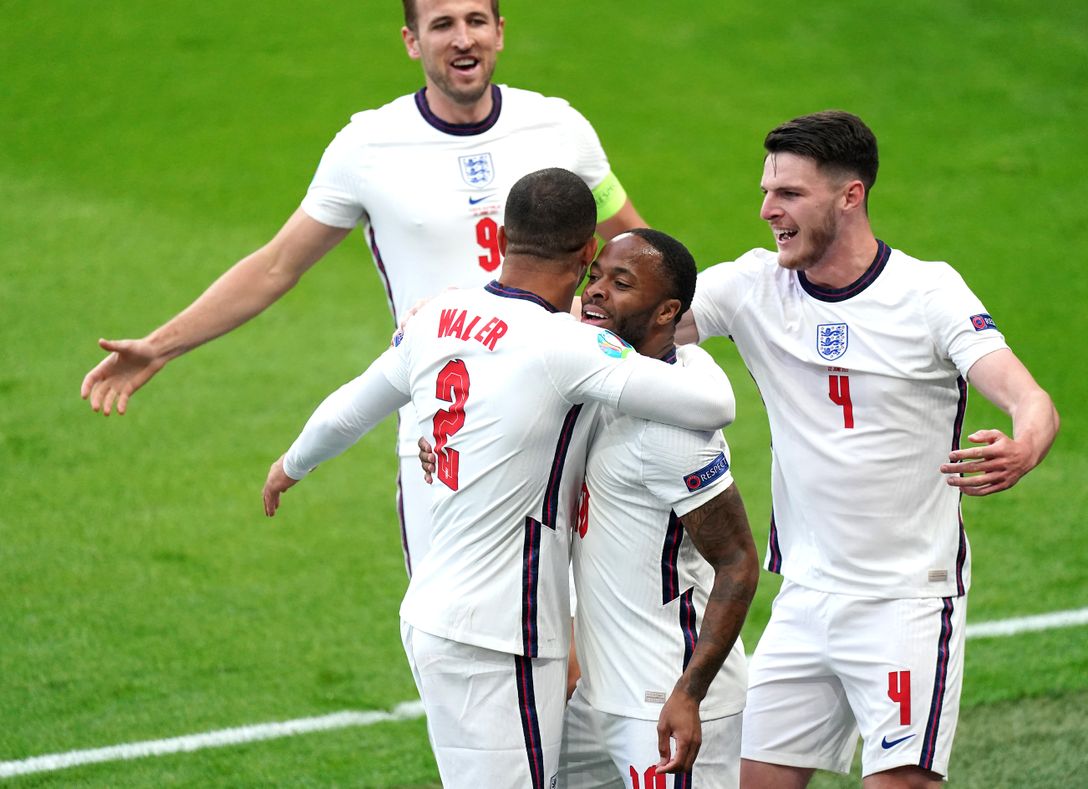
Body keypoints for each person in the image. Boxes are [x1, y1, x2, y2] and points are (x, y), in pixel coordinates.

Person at [80, 0, 646, 575]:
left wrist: (683, 333)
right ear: (411, 40)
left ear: (499, 32)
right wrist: (161, 345)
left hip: (567, 417)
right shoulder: (368, 147)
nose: (462, 39)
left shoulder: (558, 128)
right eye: (442, 25)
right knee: (450, 631)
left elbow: (637, 249)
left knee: (582, 640)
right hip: (443, 430)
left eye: (476, 21)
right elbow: (277, 266)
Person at [261, 169, 734, 789]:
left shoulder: (441, 314)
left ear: (503, 236)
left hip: (439, 609)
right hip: (500, 631)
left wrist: (289, 466)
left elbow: (351, 408)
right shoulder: (566, 345)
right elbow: (712, 405)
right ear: (589, 251)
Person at [677, 111, 1060, 788]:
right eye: (767, 191)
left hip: (906, 604)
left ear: (849, 196)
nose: (767, 210)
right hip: (803, 598)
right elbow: (638, 322)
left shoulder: (927, 293)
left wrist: (1025, 443)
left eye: (789, 194)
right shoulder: (752, 286)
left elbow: (1030, 398)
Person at [560, 229, 761, 788]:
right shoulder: (607, 379)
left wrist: (689, 695)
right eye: (595, 275)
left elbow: (739, 562)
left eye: (620, 283)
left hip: (663, 704)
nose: (595, 292)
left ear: (667, 310)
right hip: (597, 695)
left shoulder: (673, 435)